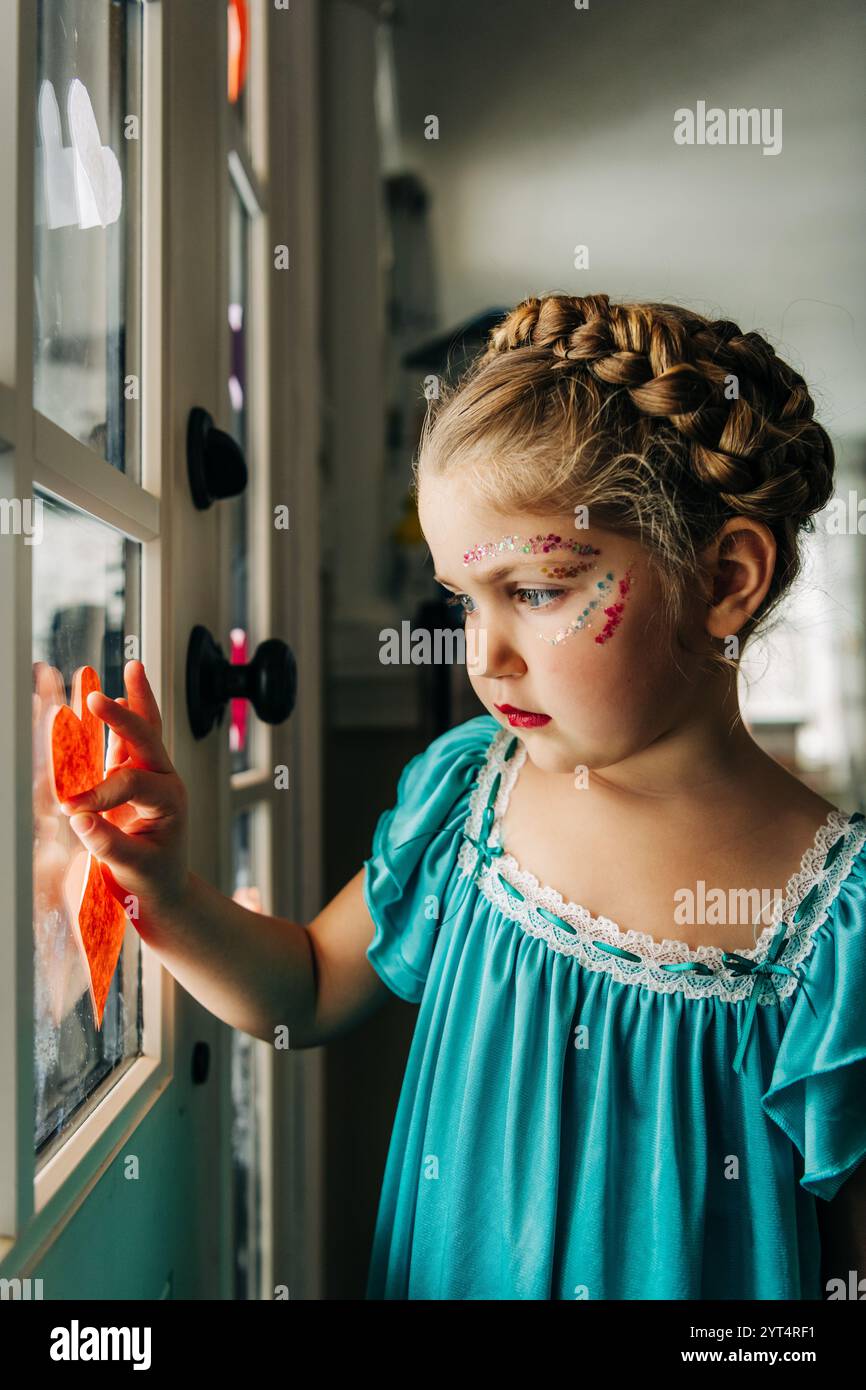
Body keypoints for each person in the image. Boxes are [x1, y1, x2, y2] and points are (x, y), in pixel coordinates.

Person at [58, 292, 866, 1300]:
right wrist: (167, 894)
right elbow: (304, 989)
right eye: (461, 599)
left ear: (724, 578)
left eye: (534, 591)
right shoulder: (468, 801)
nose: (483, 655)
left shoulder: (836, 928)